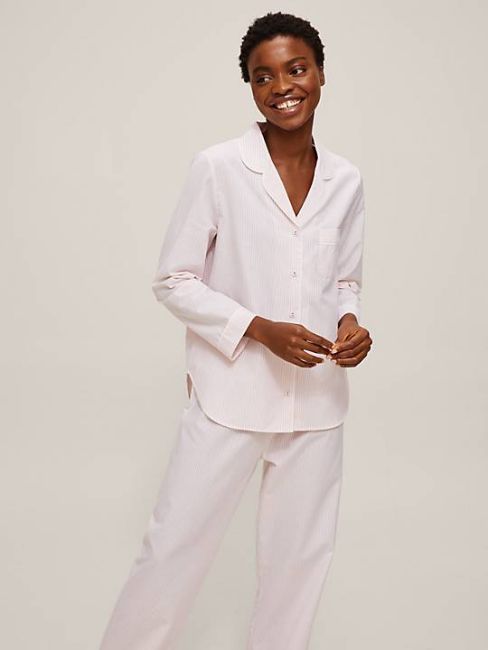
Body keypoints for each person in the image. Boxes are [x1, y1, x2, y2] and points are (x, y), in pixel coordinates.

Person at [99, 10, 372, 650]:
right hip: (231, 397)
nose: (282, 86)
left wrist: (352, 323)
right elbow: (174, 279)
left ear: (321, 74)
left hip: (317, 402)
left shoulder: (346, 180)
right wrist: (258, 328)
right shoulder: (219, 167)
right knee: (174, 550)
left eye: (296, 69)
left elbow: (344, 280)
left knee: (298, 567)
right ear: (250, 86)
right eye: (262, 76)